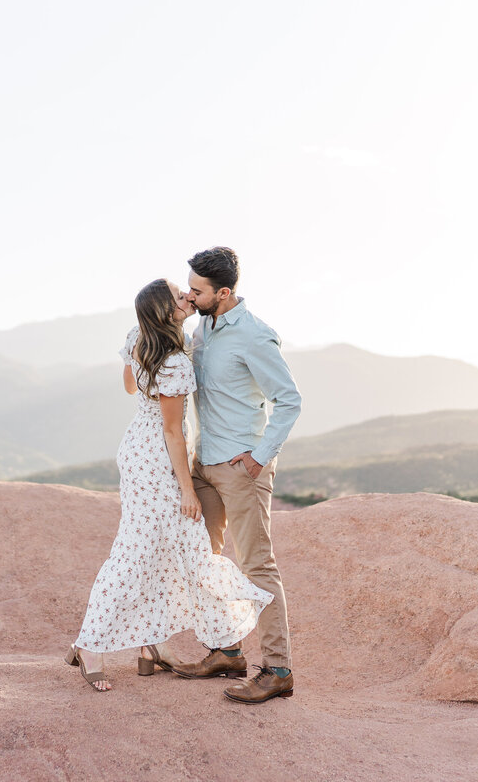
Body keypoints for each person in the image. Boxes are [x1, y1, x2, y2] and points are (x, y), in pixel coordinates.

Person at [66, 278, 272, 692]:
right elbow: (173, 431)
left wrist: (147, 379)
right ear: (167, 312)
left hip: (136, 448)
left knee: (159, 549)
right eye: (180, 296)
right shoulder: (174, 362)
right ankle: (89, 646)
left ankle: (151, 646)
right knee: (136, 552)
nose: (187, 298)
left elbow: (130, 386)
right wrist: (187, 490)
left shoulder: (139, 338)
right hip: (159, 459)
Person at [173, 247, 302, 704]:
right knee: (203, 560)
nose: (189, 296)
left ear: (224, 293)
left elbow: (289, 400)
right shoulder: (202, 328)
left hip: (240, 469)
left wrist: (260, 456)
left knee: (257, 566)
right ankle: (227, 651)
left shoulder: (254, 335)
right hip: (204, 464)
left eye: (197, 290)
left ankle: (278, 670)